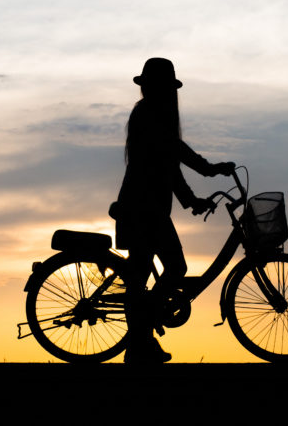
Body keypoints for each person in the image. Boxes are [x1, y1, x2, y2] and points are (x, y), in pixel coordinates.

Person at [112, 58, 235, 363]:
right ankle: (141, 338)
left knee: (143, 275)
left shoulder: (149, 115)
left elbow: (168, 166)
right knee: (162, 271)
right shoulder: (150, 115)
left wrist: (192, 199)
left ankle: (140, 341)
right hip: (144, 209)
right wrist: (209, 170)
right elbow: (175, 153)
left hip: (146, 208)